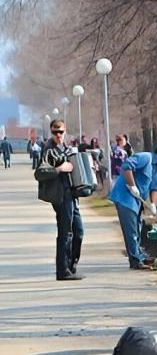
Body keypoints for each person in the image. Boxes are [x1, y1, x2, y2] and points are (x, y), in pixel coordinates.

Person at [108, 143, 157, 270]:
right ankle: (135, 260)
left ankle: (139, 255)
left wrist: (154, 205)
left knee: (138, 227)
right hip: (125, 197)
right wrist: (131, 185)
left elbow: (155, 187)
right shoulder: (145, 157)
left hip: (137, 200)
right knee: (131, 230)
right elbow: (126, 166)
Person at [42, 120, 84, 281]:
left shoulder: (67, 149)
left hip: (72, 195)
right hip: (60, 196)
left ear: (65, 131)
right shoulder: (48, 150)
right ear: (51, 132)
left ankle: (71, 265)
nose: (58, 135)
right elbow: (40, 172)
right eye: (55, 132)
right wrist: (59, 169)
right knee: (65, 233)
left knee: (79, 232)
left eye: (60, 132)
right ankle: (63, 270)